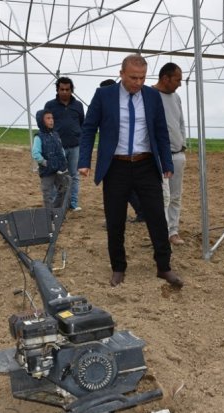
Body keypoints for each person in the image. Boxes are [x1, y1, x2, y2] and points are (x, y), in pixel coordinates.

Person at [79, 54, 183, 288]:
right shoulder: (104, 95)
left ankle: (164, 266)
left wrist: (166, 163)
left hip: (146, 165)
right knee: (115, 219)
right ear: (122, 74)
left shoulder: (152, 96)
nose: (138, 82)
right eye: (133, 77)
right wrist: (84, 161)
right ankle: (118, 267)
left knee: (156, 216)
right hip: (116, 166)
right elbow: (88, 129)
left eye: (142, 78)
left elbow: (161, 132)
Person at [100, 78, 145, 223]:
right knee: (126, 188)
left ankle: (120, 217)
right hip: (117, 156)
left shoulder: (117, 107)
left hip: (117, 157)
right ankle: (139, 211)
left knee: (117, 190)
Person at [152, 63, 187, 245]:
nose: (179, 83)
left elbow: (181, 122)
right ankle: (162, 233)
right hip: (157, 156)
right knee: (163, 196)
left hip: (177, 154)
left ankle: (173, 232)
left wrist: (183, 143)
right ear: (165, 78)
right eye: (177, 79)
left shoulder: (176, 98)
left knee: (175, 195)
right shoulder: (150, 95)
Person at [44, 77, 84, 211]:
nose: (65, 92)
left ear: (71, 90)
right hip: (56, 147)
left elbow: (82, 123)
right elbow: (46, 124)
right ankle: (58, 205)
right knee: (57, 176)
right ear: (57, 89)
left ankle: (73, 203)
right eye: (62, 89)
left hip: (75, 145)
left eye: (67, 89)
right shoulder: (50, 105)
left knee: (74, 175)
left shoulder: (78, 105)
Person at [32, 109, 68, 209]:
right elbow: (35, 153)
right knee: (47, 193)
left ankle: (56, 210)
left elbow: (61, 149)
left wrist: (63, 161)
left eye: (52, 118)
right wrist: (45, 163)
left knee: (63, 189)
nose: (51, 120)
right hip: (47, 171)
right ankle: (49, 214)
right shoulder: (38, 137)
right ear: (41, 121)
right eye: (48, 118)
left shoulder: (55, 134)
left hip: (59, 170)